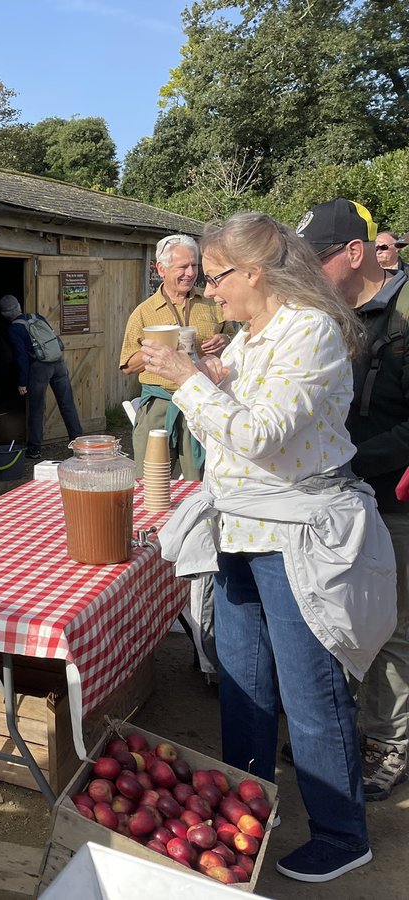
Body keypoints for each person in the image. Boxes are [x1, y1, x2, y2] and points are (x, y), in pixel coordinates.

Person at [151, 211, 396, 883]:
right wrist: (211, 374)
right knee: (243, 682)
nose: (208, 291)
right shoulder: (249, 336)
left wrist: (190, 382)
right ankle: (249, 799)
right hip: (239, 526)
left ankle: (344, 833)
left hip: (294, 535)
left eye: (216, 277)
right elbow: (242, 414)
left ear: (254, 273)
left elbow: (262, 436)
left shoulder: (310, 331)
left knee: (310, 692)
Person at [299, 199, 409, 802]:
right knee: (340, 613)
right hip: (344, 494)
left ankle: (389, 744)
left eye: (318, 260)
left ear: (355, 253)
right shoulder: (335, 315)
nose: (310, 273)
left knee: (391, 626)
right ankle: (345, 731)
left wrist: (351, 458)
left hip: (393, 499)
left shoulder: (403, 318)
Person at [119, 234, 229, 479]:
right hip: (159, 404)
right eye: (183, 266)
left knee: (201, 480)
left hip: (202, 403)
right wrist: (155, 352)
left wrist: (225, 341)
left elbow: (233, 340)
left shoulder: (213, 303)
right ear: (161, 269)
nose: (190, 273)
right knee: (152, 480)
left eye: (194, 266)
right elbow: (127, 365)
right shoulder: (144, 313)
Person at [0, 294, 82, 458]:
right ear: (19, 307)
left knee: (36, 409)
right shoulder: (37, 317)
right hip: (58, 363)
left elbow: (21, 357)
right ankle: (79, 443)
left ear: (4, 315)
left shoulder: (14, 328)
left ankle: (34, 449)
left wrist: (22, 382)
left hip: (40, 368)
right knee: (67, 404)